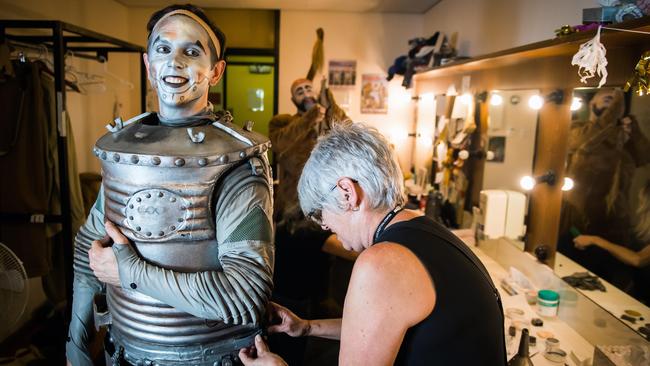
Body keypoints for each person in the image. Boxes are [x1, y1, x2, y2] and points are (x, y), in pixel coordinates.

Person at [66, 5, 274, 366]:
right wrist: (77, 345)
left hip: (210, 356)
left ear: (215, 71)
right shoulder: (124, 151)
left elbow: (245, 295)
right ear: (148, 65)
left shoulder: (236, 161)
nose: (174, 61)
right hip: (126, 351)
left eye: (192, 52)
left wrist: (127, 273)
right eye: (163, 49)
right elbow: (90, 242)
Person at [241, 123, 506, 365]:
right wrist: (308, 327)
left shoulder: (382, 263)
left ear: (347, 194)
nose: (325, 226)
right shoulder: (424, 227)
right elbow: (377, 326)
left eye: (321, 214)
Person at [268, 77, 353, 364]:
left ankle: (318, 334)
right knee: (291, 282)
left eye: (308, 88)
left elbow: (348, 134)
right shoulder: (282, 122)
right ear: (293, 99)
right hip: (291, 218)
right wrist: (308, 118)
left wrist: (330, 104)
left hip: (325, 212)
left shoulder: (328, 119)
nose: (305, 93)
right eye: (298, 90)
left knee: (321, 281)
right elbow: (280, 145)